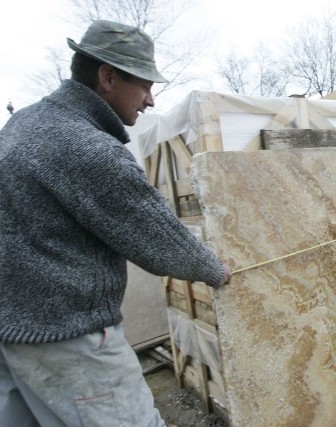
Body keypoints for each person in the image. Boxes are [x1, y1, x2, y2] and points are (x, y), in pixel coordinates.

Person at [0, 20, 231, 426]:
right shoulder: (86, 146)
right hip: (70, 340)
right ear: (107, 77)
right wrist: (220, 270)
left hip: (14, 332)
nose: (151, 101)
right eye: (144, 85)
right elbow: (160, 241)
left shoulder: (22, 125)